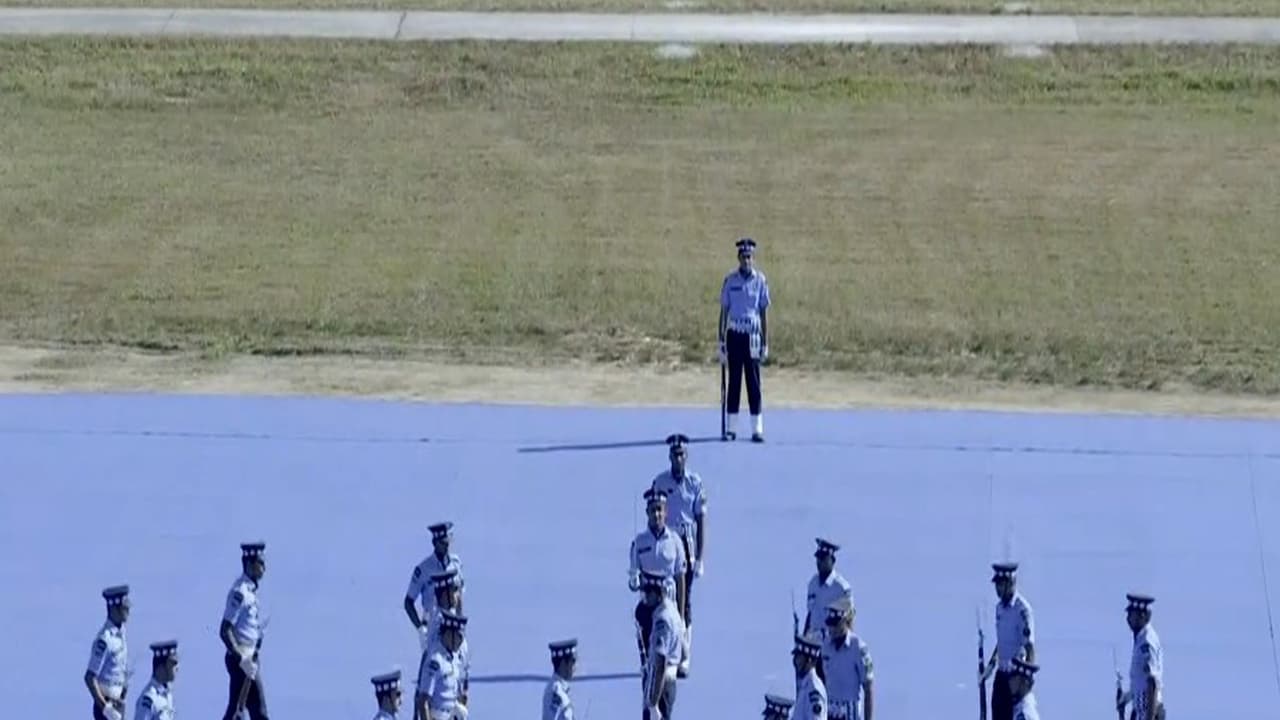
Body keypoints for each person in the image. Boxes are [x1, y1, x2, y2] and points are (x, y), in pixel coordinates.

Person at [649, 432, 707, 675]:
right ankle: (661, 650)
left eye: (682, 454)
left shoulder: (695, 483)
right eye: (675, 454)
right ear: (669, 456)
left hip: (686, 542)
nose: (678, 458)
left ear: (687, 456)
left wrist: (701, 558)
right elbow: (652, 513)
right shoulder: (660, 482)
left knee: (684, 600)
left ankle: (684, 653)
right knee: (661, 599)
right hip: (665, 545)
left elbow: (701, 520)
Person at [718, 237, 771, 442]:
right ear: (738, 258)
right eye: (743, 257)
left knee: (754, 383)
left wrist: (766, 341)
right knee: (734, 383)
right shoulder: (730, 281)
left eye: (749, 257)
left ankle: (756, 428)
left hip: (753, 337)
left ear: (753, 258)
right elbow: (724, 312)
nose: (746, 261)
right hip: (735, 335)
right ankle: (731, 428)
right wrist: (721, 342)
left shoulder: (760, 281)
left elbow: (764, 312)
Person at [629, 489, 688, 670]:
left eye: (660, 510)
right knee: (648, 655)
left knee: (668, 656)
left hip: (669, 604)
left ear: (666, 512)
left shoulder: (675, 541)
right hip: (648, 603)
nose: (657, 514)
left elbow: (680, 578)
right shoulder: (640, 542)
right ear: (647, 513)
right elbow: (634, 573)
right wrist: (634, 582)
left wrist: (682, 613)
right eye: (653, 510)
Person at [979, 562, 1036, 720]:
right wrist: (991, 665)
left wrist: (1027, 681)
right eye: (996, 586)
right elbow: (1002, 641)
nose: (997, 590)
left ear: (1011, 583)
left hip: (1015, 678)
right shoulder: (999, 608)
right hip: (1001, 676)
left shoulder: (1022, 610)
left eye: (1001, 585)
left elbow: (1029, 647)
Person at [221, 541, 269, 720]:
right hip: (241, 661)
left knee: (238, 710)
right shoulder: (240, 593)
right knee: (256, 712)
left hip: (251, 659)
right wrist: (241, 658)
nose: (264, 567)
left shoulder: (251, 592)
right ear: (249, 564)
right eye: (260, 563)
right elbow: (225, 630)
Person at [406, 522, 465, 650]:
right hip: (434, 627)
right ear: (435, 543)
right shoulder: (423, 569)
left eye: (447, 543)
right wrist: (420, 628)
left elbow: (460, 595)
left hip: (454, 627)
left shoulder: (456, 564)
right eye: (442, 544)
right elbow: (408, 602)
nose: (446, 547)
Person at [819, 598, 873, 720]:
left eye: (836, 625)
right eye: (830, 625)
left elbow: (868, 688)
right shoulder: (825, 646)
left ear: (844, 622)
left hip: (850, 713)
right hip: (830, 712)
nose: (832, 629)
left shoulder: (858, 648)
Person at [641, 569, 685, 720]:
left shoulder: (662, 620)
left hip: (661, 686)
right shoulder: (672, 610)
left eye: (648, 594)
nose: (645, 598)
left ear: (658, 594)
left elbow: (660, 663)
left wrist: (653, 703)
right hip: (666, 683)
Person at [85, 585, 131, 720]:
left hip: (118, 703)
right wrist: (106, 709)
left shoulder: (121, 634)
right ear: (114, 608)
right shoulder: (105, 639)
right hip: (106, 704)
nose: (128, 610)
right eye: (124, 607)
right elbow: (90, 677)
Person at [1118, 593, 1164, 720]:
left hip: (1149, 713)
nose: (1127, 619)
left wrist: (1149, 717)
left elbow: (1152, 682)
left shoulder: (1147, 642)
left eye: (1130, 615)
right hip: (1140, 712)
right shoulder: (1139, 639)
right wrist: (1125, 699)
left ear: (1142, 616)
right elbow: (1139, 683)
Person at [417, 610, 469, 720]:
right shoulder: (435, 661)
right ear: (450, 634)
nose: (461, 642)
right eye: (459, 637)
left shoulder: (454, 660)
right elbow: (423, 701)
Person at [804, 539, 853, 640]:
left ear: (832, 560)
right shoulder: (813, 583)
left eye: (824, 559)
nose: (820, 563)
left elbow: (850, 620)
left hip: (831, 640)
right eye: (818, 559)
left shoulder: (841, 587)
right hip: (812, 640)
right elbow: (810, 613)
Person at [133, 641, 179, 720]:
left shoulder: (167, 695)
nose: (177, 668)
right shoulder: (149, 698)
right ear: (161, 668)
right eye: (172, 664)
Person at [792, 634, 828, 720]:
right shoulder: (806, 685)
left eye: (800, 658)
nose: (796, 662)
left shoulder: (814, 689)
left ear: (809, 660)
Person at [542, 639, 578, 720]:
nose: (575, 667)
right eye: (573, 662)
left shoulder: (561, 689)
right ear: (563, 664)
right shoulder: (556, 692)